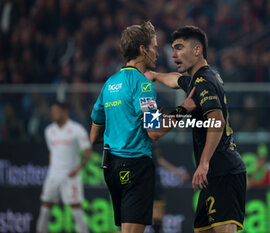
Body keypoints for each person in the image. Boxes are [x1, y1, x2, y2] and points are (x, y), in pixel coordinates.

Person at [89, 21, 195, 233]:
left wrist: (123, 133)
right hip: (135, 165)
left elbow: (94, 137)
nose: (157, 53)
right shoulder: (143, 84)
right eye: (154, 47)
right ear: (142, 50)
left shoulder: (109, 84)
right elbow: (154, 131)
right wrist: (182, 109)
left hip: (111, 167)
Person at [146, 26, 247, 233]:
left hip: (222, 170)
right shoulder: (199, 78)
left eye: (179, 48)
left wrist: (204, 162)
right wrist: (155, 75)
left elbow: (217, 122)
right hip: (214, 173)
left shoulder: (203, 81)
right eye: (173, 49)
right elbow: (176, 80)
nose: (173, 54)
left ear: (197, 50)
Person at [36, 101, 92, 233]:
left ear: (65, 112)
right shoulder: (49, 131)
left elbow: (87, 152)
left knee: (76, 210)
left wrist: (79, 168)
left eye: (56, 111)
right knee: (45, 208)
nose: (53, 114)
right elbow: (52, 152)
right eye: (52, 111)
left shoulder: (77, 129)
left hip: (70, 176)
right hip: (53, 175)